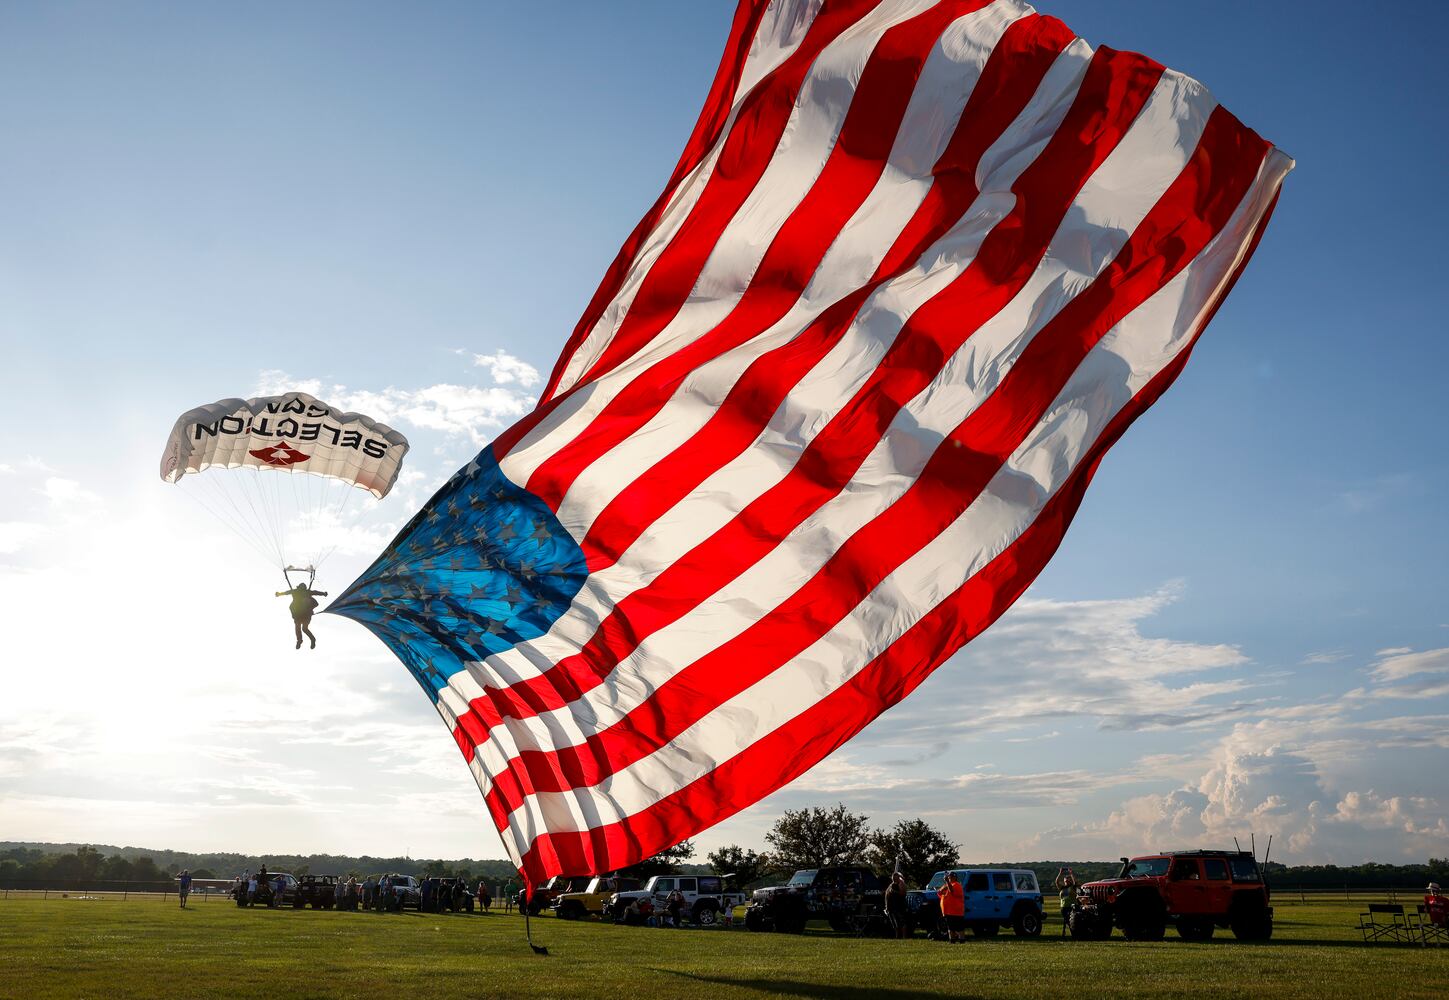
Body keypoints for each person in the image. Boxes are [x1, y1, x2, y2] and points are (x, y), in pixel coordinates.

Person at [275, 580, 327, 649]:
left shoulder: (305, 592)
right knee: (300, 627)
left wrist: (323, 593)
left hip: (305, 614)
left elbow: (315, 592)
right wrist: (279, 594)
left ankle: (310, 639)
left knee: (303, 628)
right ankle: (300, 640)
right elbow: (287, 592)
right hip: (299, 614)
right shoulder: (297, 591)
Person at [939, 871, 966, 943]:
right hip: (948, 911)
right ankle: (952, 941)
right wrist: (941, 890)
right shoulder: (947, 885)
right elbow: (940, 893)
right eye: (948, 877)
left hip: (956, 911)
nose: (949, 878)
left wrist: (947, 883)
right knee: (950, 928)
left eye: (950, 877)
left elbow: (952, 891)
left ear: (954, 877)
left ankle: (962, 941)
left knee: (959, 928)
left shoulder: (957, 885)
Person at [884, 872, 908, 938]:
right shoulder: (891, 885)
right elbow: (887, 894)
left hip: (899, 906)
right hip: (891, 907)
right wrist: (886, 906)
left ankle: (904, 937)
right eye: (893, 877)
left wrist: (895, 892)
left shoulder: (901, 883)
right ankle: (897, 937)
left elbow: (903, 893)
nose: (894, 879)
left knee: (902, 922)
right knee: (895, 924)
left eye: (895, 877)